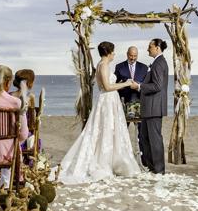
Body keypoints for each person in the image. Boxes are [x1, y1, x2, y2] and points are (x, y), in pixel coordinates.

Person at [58, 41, 140, 184]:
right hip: (107, 101)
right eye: (113, 51)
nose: (114, 54)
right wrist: (126, 83)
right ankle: (103, 163)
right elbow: (107, 87)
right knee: (105, 130)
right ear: (108, 53)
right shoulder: (103, 65)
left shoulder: (103, 65)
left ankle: (113, 160)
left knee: (110, 130)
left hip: (109, 101)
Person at [129, 37, 169, 174]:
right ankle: (152, 167)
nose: (148, 49)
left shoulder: (159, 63)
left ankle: (159, 170)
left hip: (154, 107)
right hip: (149, 108)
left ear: (157, 48)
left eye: (150, 47)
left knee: (155, 140)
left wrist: (139, 86)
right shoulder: (157, 62)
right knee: (145, 138)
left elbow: (157, 86)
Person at [0, 65, 30, 187]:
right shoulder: (15, 102)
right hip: (8, 153)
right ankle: (5, 187)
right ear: (7, 82)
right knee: (12, 143)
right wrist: (15, 141)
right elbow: (23, 134)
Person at [113, 45, 148, 122]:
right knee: (124, 127)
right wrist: (122, 85)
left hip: (140, 102)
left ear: (137, 55)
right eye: (131, 55)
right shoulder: (119, 67)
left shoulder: (144, 67)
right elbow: (115, 84)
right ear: (127, 54)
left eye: (135, 56)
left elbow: (146, 85)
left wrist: (138, 85)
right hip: (124, 102)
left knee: (141, 128)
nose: (133, 58)